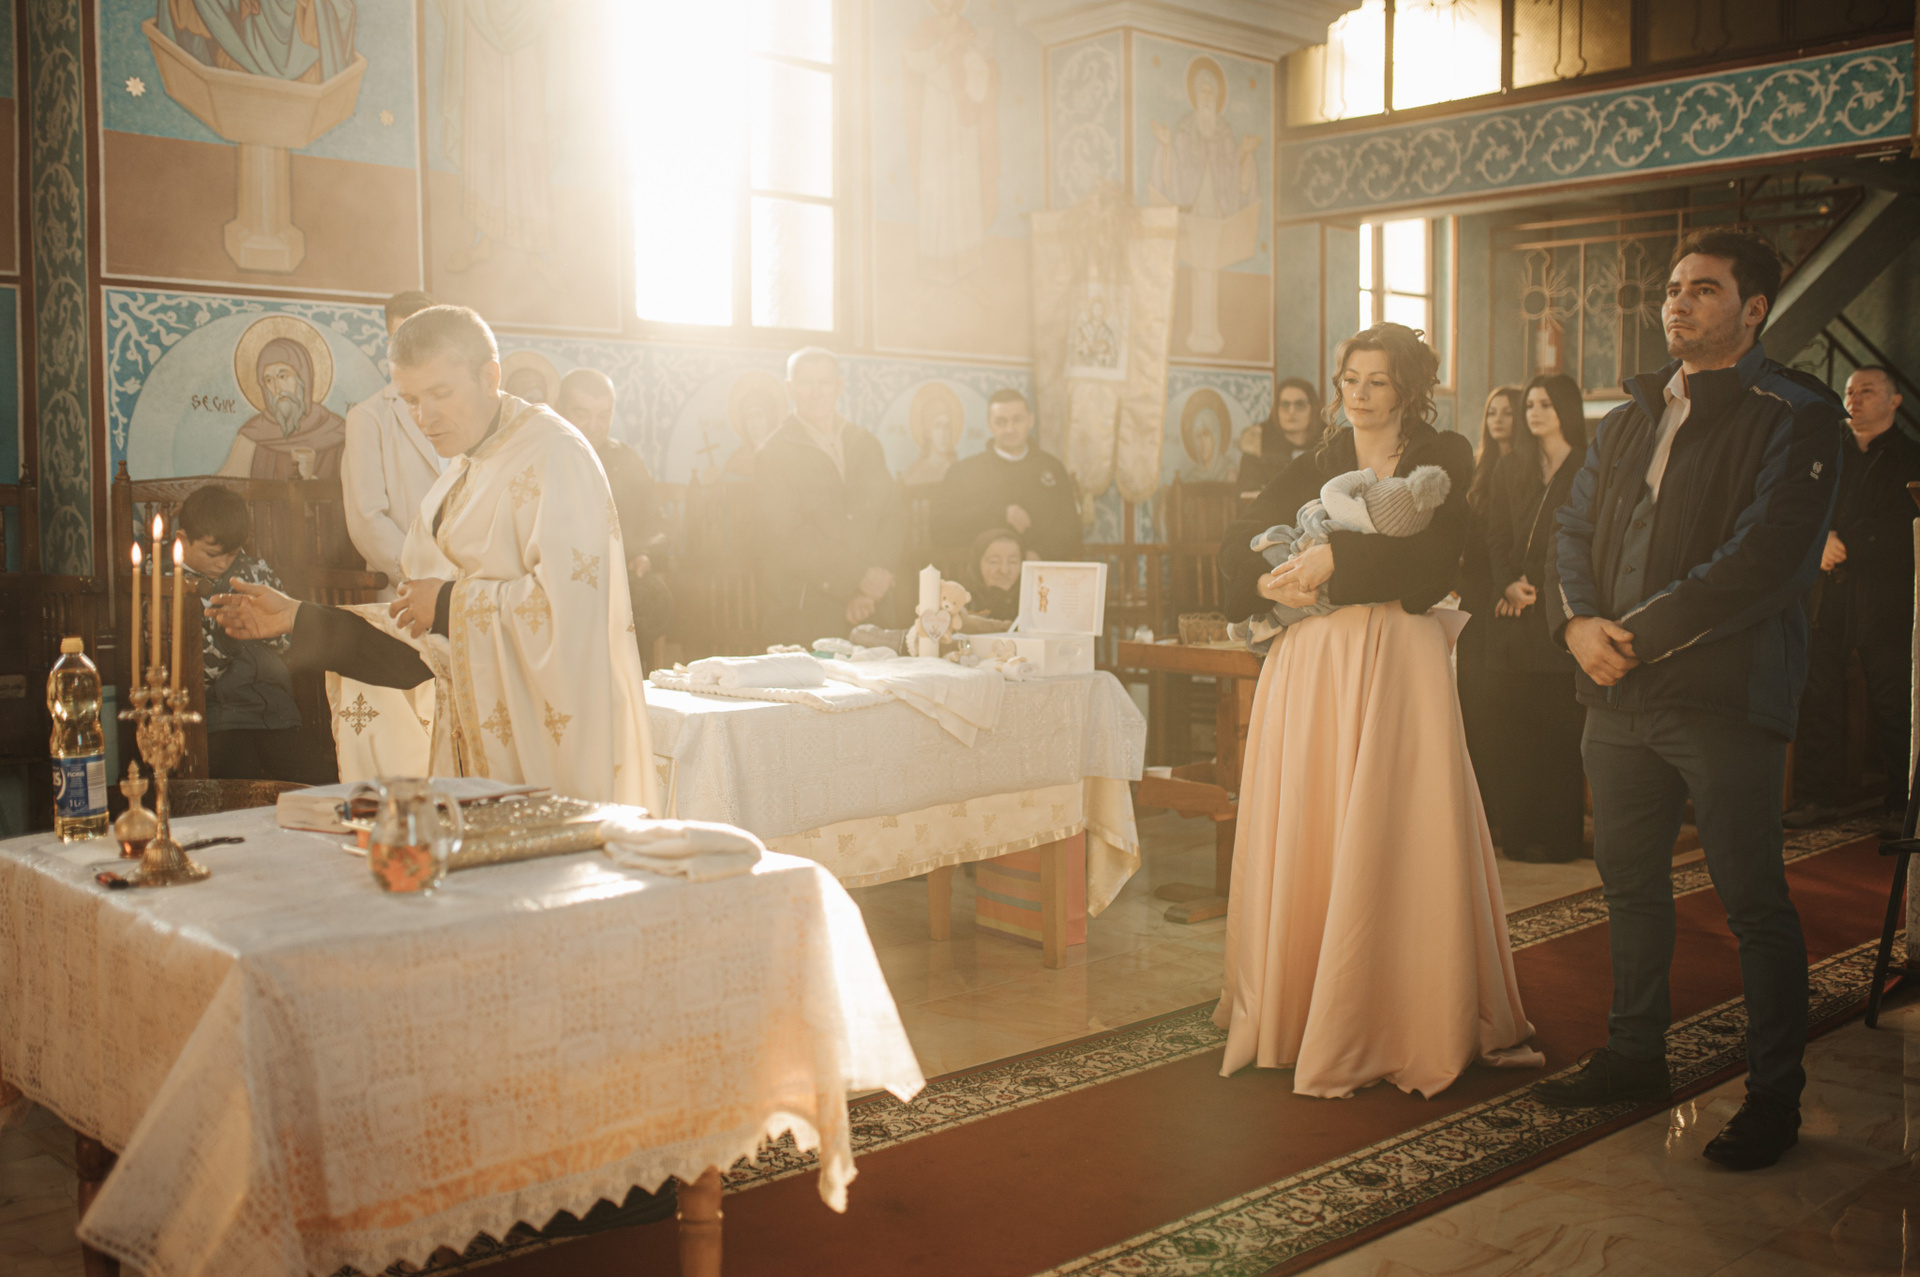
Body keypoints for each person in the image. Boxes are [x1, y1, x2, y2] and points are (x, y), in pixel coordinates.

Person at [1543, 229, 1844, 1171]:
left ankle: (1774, 1094)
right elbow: (1570, 528)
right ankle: (1635, 1052)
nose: (1676, 302)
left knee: (1752, 898)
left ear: (1753, 309)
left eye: (1703, 289)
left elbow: (1767, 558)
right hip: (1616, 695)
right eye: (1672, 288)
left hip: (1720, 694)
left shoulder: (1797, 411)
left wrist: (1631, 636)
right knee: (1630, 883)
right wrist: (1577, 625)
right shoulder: (1629, 414)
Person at [1212, 322, 1541, 1099]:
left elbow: (1430, 559)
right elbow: (1237, 540)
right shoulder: (1319, 458)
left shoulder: (1443, 454)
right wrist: (1263, 582)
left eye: (1377, 381)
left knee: (1397, 818)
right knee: (1317, 816)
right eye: (1349, 380)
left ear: (1409, 389)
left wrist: (1335, 559)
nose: (1358, 395)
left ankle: (1403, 1010)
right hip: (1315, 661)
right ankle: (1303, 1002)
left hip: (1396, 657)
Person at [207, 305, 658, 810]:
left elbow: (570, 614)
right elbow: (425, 651)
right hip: (475, 761)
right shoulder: (465, 469)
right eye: (411, 400)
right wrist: (297, 616)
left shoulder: (555, 454)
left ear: (490, 377)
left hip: (548, 760)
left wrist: (446, 603)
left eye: (441, 393)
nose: (425, 417)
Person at [1786, 365, 1920, 837]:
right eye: (1848, 391)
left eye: (1867, 390)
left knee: (1893, 699)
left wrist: (1851, 544)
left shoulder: (1911, 456)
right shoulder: (1824, 451)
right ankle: (1816, 797)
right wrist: (1820, 541)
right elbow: (1798, 506)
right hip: (1826, 594)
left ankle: (1901, 804)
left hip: (1884, 595)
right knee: (1817, 693)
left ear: (1895, 401)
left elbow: (1905, 524)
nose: (1854, 398)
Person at [1486, 374, 1587, 863]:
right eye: (1530, 405)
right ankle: (1519, 835)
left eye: (1545, 404)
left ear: (1565, 408)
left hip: (1561, 610)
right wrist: (1507, 583)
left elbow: (1590, 541)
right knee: (1516, 730)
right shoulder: (1511, 466)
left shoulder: (1588, 466)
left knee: (1560, 733)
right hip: (1515, 613)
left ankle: (1560, 838)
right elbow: (1496, 536)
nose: (1535, 413)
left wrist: (1544, 589)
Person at [176, 485, 338, 786]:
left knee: (321, 779)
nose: (222, 564)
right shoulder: (166, 584)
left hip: (275, 709)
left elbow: (285, 641)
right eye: (212, 554)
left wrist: (269, 626)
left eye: (232, 554)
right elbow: (193, 676)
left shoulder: (255, 571)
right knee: (241, 785)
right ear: (182, 540)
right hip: (219, 717)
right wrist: (228, 640)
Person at [755, 348, 907, 645]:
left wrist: (873, 583)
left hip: (874, 609)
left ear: (839, 386)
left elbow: (893, 516)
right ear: (789, 389)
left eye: (824, 382)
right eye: (805, 383)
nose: (816, 393)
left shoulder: (865, 443)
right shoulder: (773, 454)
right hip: (807, 612)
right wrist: (857, 580)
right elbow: (787, 535)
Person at [554, 367, 674, 669]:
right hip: (558, 578)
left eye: (603, 415)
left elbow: (657, 524)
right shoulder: (543, 458)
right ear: (560, 409)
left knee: (655, 599)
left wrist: (646, 555)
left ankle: (627, 681)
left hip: (618, 577)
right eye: (582, 414)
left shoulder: (626, 460)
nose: (594, 426)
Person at [343, 291, 443, 599]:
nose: (415, 351)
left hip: (465, 586)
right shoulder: (369, 417)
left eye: (424, 339)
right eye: (403, 341)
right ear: (390, 348)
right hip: (404, 590)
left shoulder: (460, 410)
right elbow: (367, 520)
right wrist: (424, 576)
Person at [1458, 385, 1521, 833]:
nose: (1498, 419)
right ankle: (1480, 818)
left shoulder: (1529, 468)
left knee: (1505, 711)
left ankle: (1506, 814)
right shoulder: (1477, 469)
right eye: (1492, 412)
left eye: (1508, 412)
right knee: (1474, 708)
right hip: (1474, 598)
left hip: (1507, 599)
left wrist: (1507, 586)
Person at [932, 389, 1081, 570]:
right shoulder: (963, 472)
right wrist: (1000, 514)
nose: (1009, 429)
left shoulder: (1052, 468)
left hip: (1040, 571)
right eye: (1001, 422)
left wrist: (1040, 554)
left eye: (1017, 420)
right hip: (981, 577)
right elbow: (941, 526)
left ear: (1030, 421)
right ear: (990, 425)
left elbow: (1071, 529)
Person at [1235, 376, 1321, 497]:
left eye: (1299, 404)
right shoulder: (1258, 448)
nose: (1291, 412)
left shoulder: (1329, 447)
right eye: (1285, 405)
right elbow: (1246, 498)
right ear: (1276, 410)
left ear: (1312, 408)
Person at [959, 527, 1024, 623]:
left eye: (1013, 562)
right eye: (994, 561)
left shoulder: (1033, 602)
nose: (1004, 571)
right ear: (977, 565)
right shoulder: (959, 602)